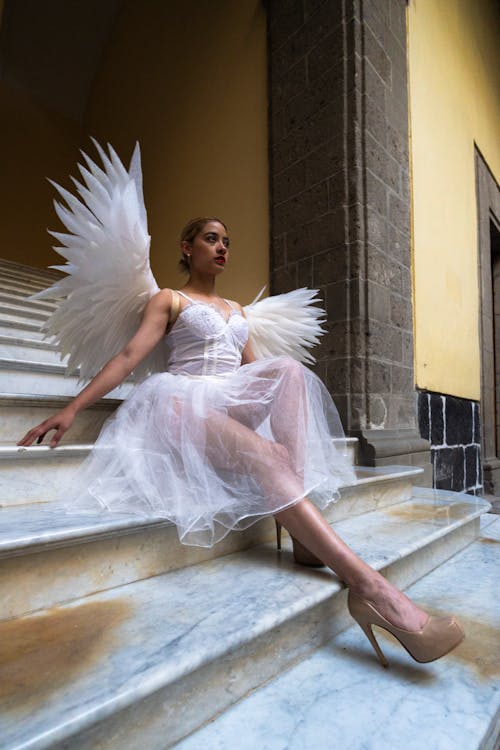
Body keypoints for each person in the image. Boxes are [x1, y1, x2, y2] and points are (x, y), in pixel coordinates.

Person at [18, 217, 464, 667]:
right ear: (187, 247)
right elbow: (130, 356)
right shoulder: (169, 299)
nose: (222, 247)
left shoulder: (237, 310)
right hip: (181, 404)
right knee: (268, 454)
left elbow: (255, 376)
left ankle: (304, 531)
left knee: (288, 371)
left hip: (228, 403)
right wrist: (72, 409)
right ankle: (369, 587)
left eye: (227, 241)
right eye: (211, 239)